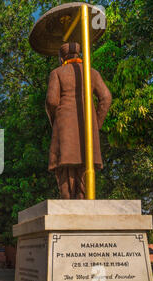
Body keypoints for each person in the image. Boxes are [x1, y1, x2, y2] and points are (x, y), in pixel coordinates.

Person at [45, 42, 112, 199]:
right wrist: (96, 123)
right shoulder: (92, 73)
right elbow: (106, 98)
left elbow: (51, 101)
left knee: (65, 170)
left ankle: (68, 203)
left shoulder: (57, 73)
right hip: (87, 130)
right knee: (85, 169)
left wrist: (56, 121)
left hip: (64, 127)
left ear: (62, 58)